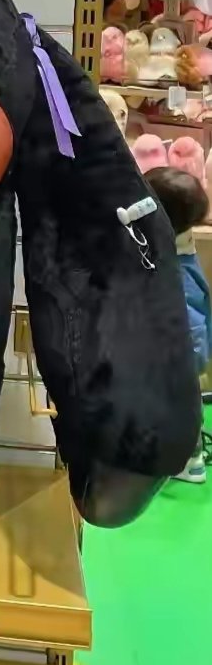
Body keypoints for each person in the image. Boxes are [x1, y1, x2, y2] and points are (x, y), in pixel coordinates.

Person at [146, 165, 211, 484]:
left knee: (177, 411)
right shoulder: (181, 246)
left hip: (181, 356)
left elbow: (191, 323)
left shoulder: (176, 271)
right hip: (184, 355)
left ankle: (187, 461)